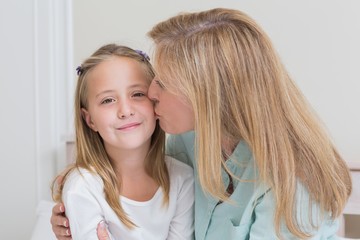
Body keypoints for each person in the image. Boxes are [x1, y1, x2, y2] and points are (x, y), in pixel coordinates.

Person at [51, 8, 352, 240]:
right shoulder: (187, 141)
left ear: (208, 96)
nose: (151, 94)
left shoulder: (294, 182)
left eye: (164, 83)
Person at [51, 44, 194, 239]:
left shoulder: (182, 178)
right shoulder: (82, 188)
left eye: (137, 94)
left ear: (155, 100)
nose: (125, 111)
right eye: (108, 100)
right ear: (90, 119)